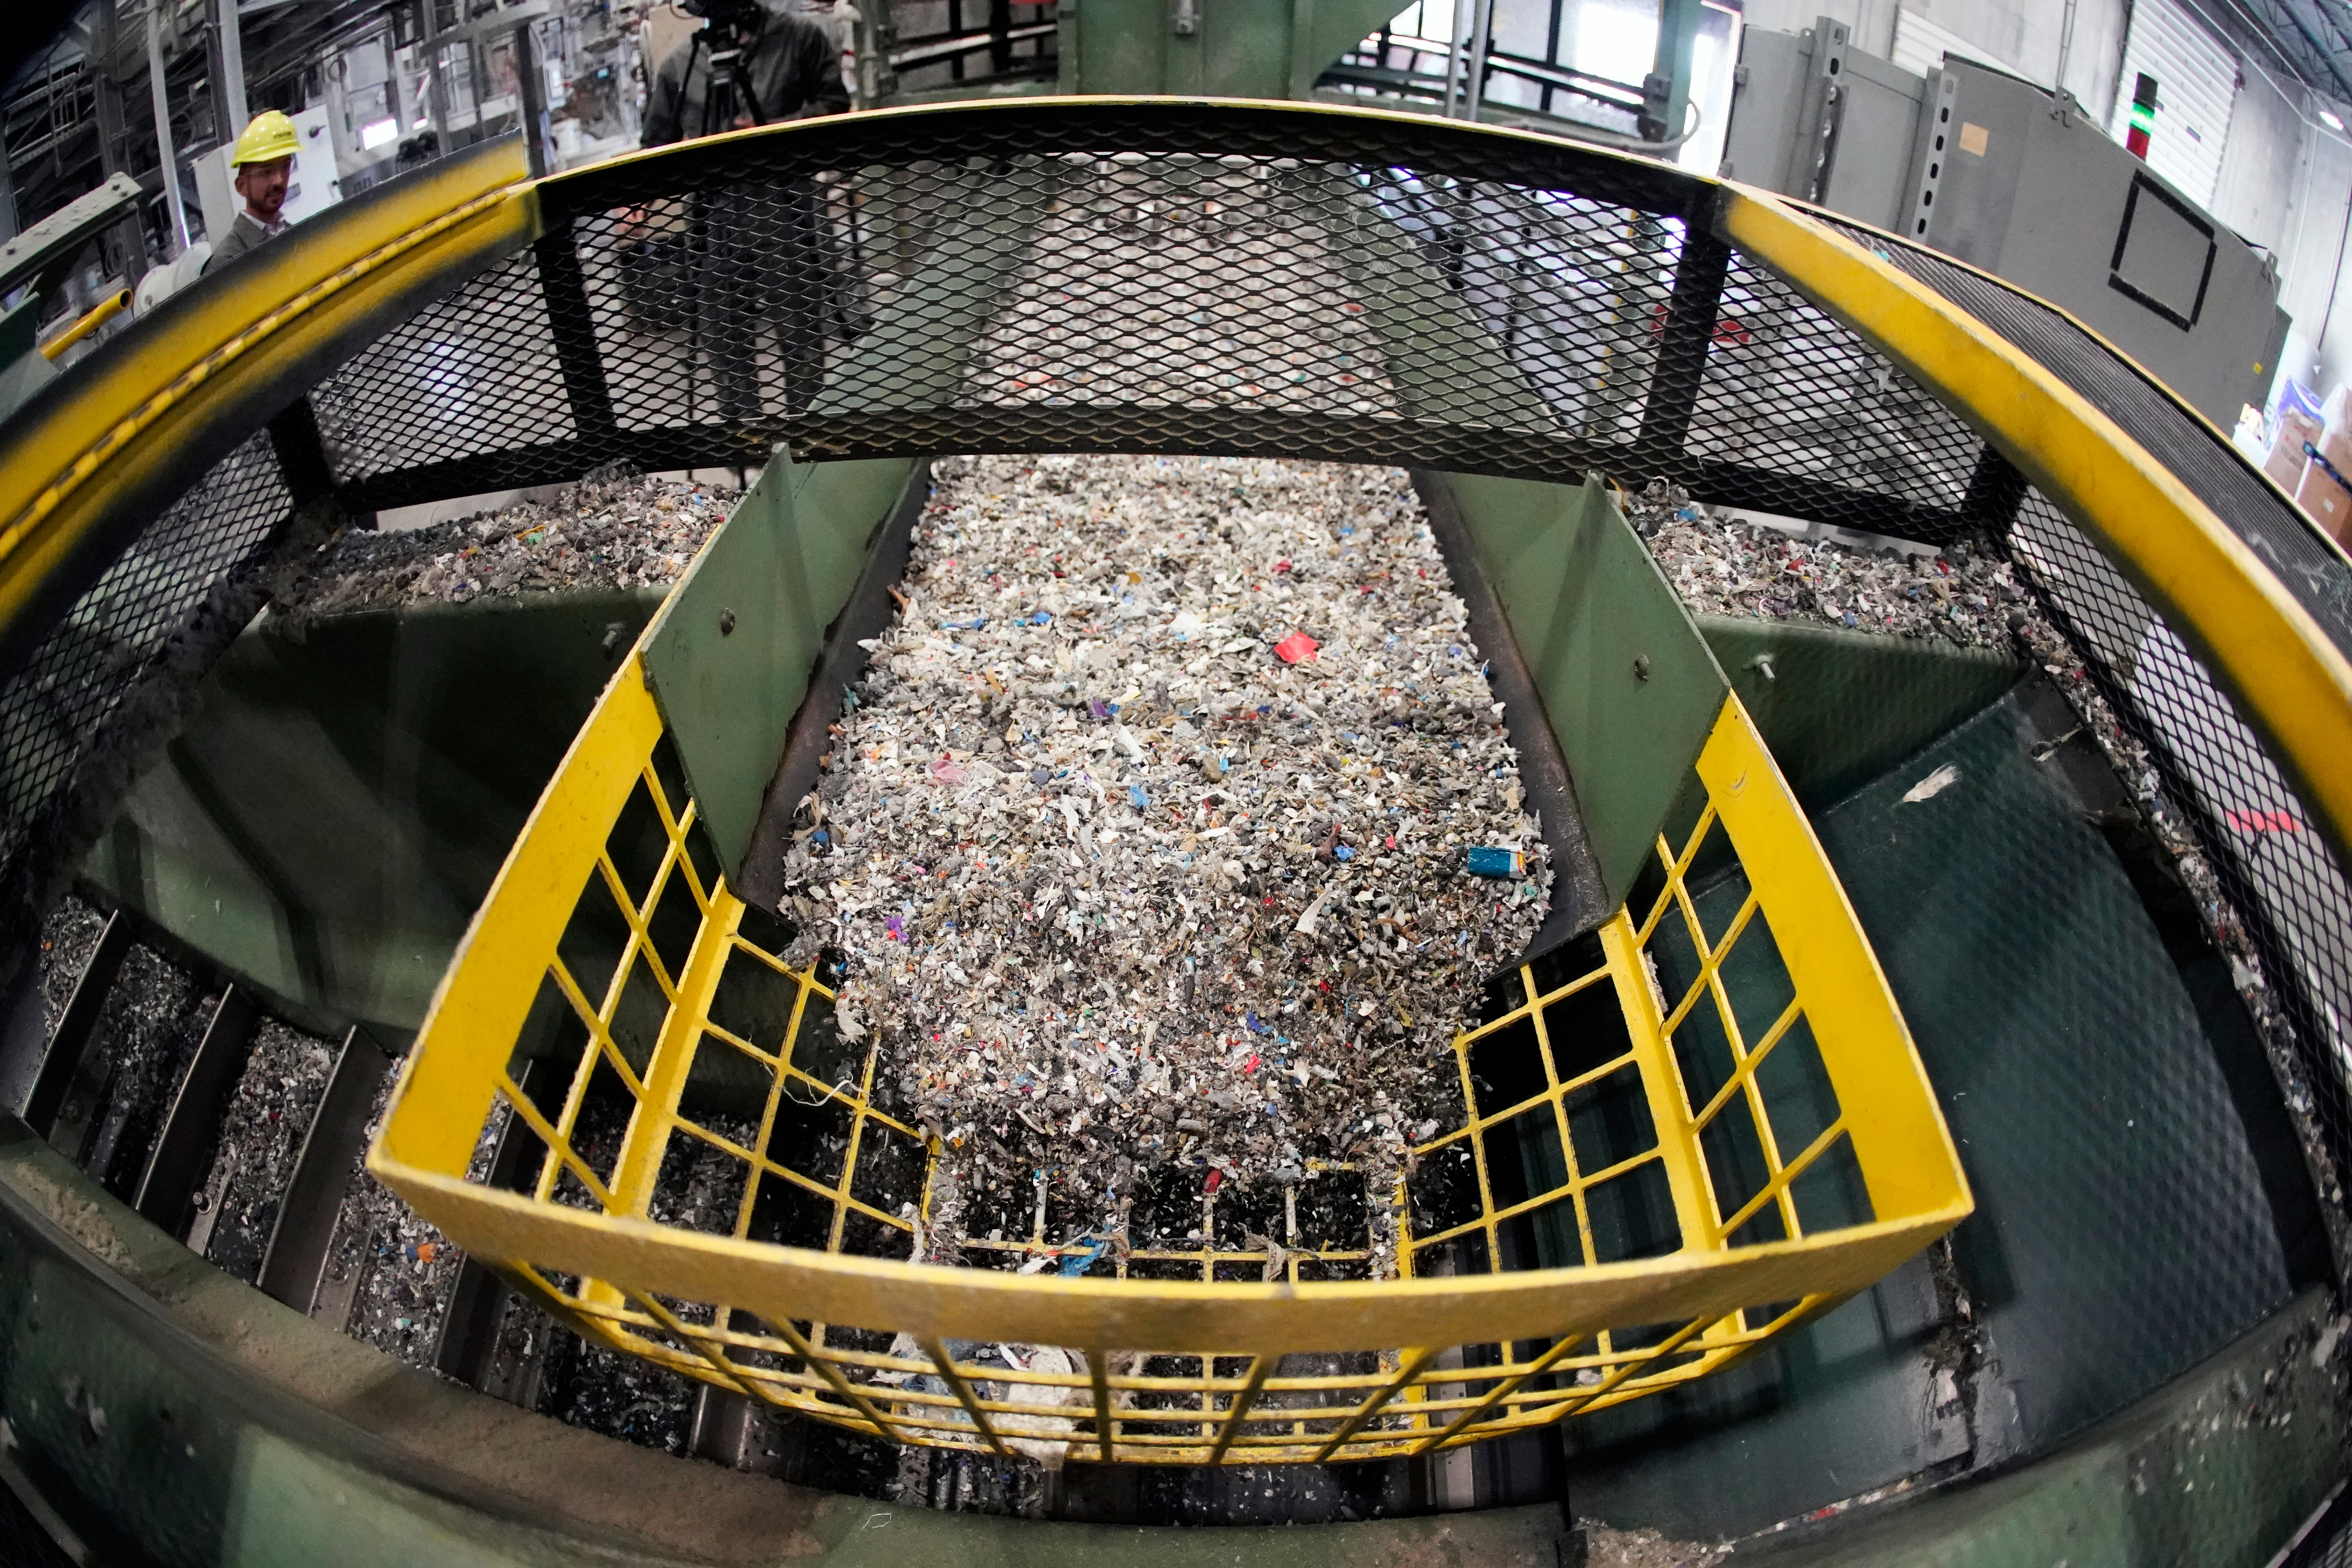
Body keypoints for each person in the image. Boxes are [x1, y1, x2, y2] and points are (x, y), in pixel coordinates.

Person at [637, 0, 851, 423]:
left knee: (801, 332)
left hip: (785, 206)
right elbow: (654, 145)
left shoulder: (798, 38)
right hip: (713, 215)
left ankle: (808, 439)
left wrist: (772, 131)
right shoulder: (683, 64)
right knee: (723, 340)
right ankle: (746, 440)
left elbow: (834, 103)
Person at [205, 111, 299, 272]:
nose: (279, 180)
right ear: (241, 186)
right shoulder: (227, 261)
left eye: (285, 168)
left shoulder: (297, 235)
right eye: (266, 172)